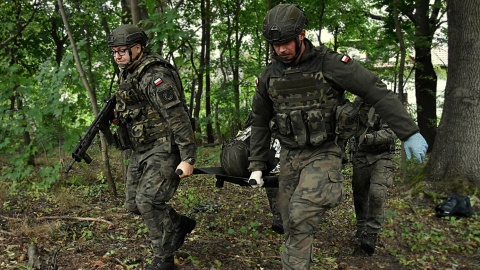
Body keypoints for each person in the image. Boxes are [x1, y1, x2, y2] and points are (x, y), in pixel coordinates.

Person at [247, 4, 428, 270]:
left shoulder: (331, 64)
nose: (281, 50)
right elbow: (260, 122)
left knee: (299, 214)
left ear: (301, 35)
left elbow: (375, 91)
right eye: (275, 45)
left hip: (325, 153)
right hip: (289, 156)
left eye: (285, 42)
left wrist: (408, 131)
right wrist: (257, 164)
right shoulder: (269, 76)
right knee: (291, 224)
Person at [108, 24, 197, 270]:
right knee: (133, 204)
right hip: (141, 149)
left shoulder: (153, 74)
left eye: (122, 50)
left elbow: (177, 116)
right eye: (114, 51)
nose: (117, 55)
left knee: (148, 201)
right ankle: (178, 224)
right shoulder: (129, 73)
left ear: (137, 48)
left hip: (164, 147)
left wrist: (188, 157)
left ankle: (164, 259)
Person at [349, 97, 397, 255]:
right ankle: (361, 228)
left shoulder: (385, 103)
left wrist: (368, 138)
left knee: (377, 192)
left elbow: (392, 132)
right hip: (361, 155)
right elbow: (348, 127)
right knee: (359, 193)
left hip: (382, 156)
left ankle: (371, 234)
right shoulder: (357, 104)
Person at [220, 116, 284, 234]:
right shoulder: (263, 104)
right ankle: (280, 218)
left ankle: (282, 218)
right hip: (269, 141)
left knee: (277, 175)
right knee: (273, 175)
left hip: (281, 140)